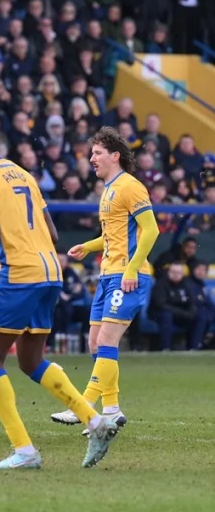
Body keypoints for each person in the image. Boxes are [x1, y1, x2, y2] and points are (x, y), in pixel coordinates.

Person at [0, 122, 118, 469]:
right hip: (50, 273)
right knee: (30, 361)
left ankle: (24, 451)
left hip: (21, 275)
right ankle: (95, 420)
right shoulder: (24, 174)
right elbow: (53, 233)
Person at [51, 126, 158, 433]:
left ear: (115, 155)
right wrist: (89, 245)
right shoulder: (108, 190)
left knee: (108, 340)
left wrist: (130, 269)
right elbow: (114, 235)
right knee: (95, 343)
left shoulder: (130, 187)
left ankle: (84, 408)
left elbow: (151, 230)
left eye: (97, 153)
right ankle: (111, 408)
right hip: (108, 274)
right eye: (92, 153)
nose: (92, 159)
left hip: (128, 276)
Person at [150, 261, 197, 351]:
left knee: (198, 315)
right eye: (173, 272)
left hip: (179, 314)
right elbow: (161, 305)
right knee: (166, 316)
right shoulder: (161, 284)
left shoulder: (186, 284)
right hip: (159, 314)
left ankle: (194, 347)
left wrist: (191, 311)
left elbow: (191, 301)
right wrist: (183, 313)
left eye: (178, 273)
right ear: (168, 272)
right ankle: (166, 348)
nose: (176, 275)